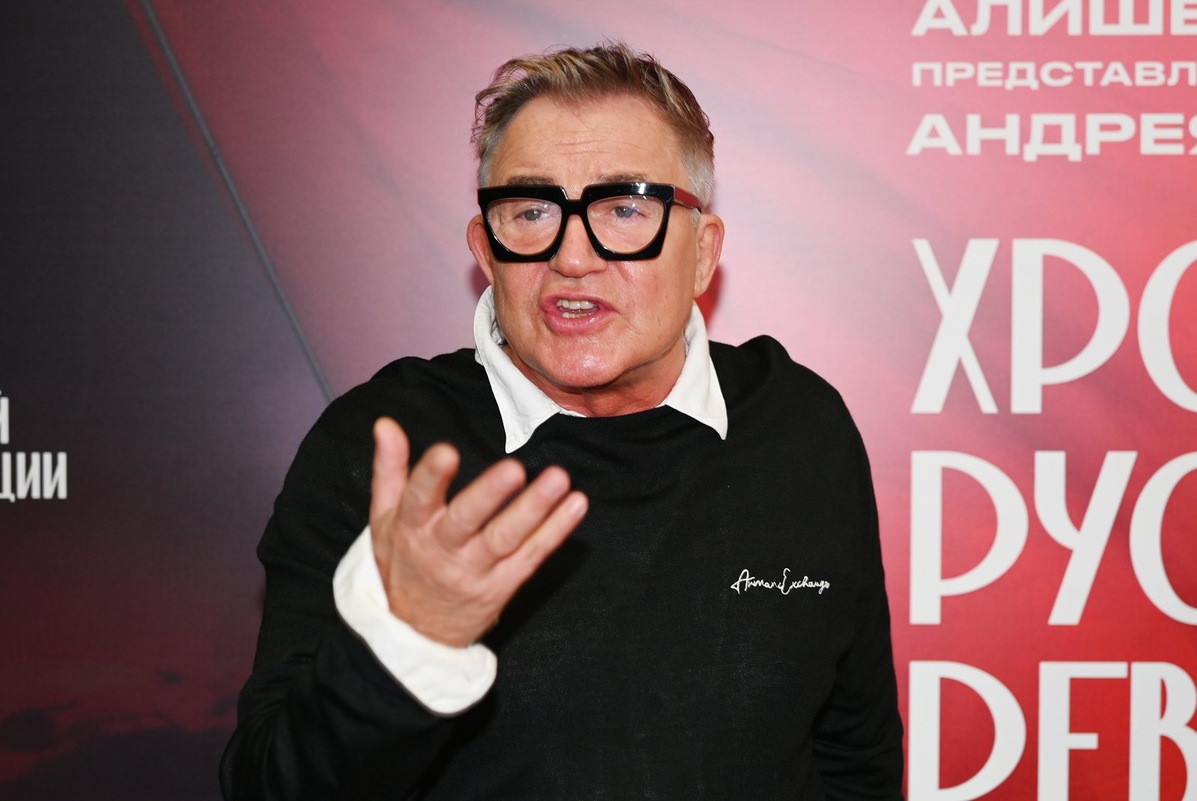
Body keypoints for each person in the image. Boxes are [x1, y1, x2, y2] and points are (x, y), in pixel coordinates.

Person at [220, 41, 905, 800]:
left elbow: (856, 756)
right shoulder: (385, 450)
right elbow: (269, 787)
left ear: (704, 253)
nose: (573, 257)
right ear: (486, 250)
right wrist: (406, 647)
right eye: (531, 211)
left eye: (624, 209)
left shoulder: (799, 426)